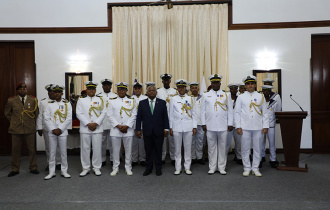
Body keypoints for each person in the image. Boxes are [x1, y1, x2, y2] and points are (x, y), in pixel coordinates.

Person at [235, 75, 269, 177]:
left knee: (257, 148)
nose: (250, 85)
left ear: (255, 85)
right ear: (245, 85)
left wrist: (265, 126)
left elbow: (265, 113)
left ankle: (255, 168)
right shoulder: (240, 97)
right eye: (248, 84)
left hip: (258, 126)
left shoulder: (260, 96)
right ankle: (246, 168)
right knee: (245, 148)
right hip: (245, 126)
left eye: (252, 84)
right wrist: (238, 126)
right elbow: (237, 113)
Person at [4, 83, 39, 177]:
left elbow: (36, 113)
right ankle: (15, 169)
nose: (22, 91)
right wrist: (14, 121)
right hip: (16, 129)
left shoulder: (33, 99)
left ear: (26, 90)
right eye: (20, 89)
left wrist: (32, 123)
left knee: (31, 149)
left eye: (24, 89)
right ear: (17, 91)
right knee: (15, 150)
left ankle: (33, 167)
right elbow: (7, 113)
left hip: (29, 128)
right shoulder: (11, 100)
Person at [201, 74, 233, 175]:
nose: (216, 84)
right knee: (211, 147)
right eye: (214, 83)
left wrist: (230, 123)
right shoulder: (205, 95)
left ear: (220, 83)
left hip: (223, 125)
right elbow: (202, 111)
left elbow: (230, 111)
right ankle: (212, 167)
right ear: (211, 83)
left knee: (223, 147)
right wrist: (203, 123)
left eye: (217, 82)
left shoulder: (226, 94)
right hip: (210, 125)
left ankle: (221, 167)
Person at [136, 85, 169, 176]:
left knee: (158, 150)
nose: (151, 92)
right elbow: (139, 118)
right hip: (147, 131)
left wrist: (166, 129)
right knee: (148, 150)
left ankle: (158, 168)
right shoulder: (142, 103)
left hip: (159, 131)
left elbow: (165, 117)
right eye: (149, 91)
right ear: (146, 92)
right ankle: (148, 168)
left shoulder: (162, 103)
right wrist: (138, 129)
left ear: (156, 92)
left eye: (153, 90)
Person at [76, 81, 106, 177]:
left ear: (95, 90)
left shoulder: (101, 100)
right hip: (85, 128)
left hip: (97, 128)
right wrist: (88, 123)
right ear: (87, 90)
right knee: (85, 149)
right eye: (89, 89)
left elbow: (103, 112)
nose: (91, 90)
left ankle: (96, 167)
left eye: (93, 89)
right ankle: (85, 168)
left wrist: (96, 123)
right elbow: (78, 113)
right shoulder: (81, 100)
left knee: (97, 149)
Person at [108, 82, 137, 176]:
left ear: (126, 91)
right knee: (116, 150)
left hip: (128, 129)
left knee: (129, 150)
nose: (121, 91)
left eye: (123, 89)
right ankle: (115, 168)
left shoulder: (132, 100)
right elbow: (110, 115)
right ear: (117, 91)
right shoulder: (112, 101)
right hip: (116, 129)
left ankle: (128, 167)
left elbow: (134, 115)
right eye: (119, 89)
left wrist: (127, 126)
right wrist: (118, 126)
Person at [43, 85, 72, 180]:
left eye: (59, 92)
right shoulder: (49, 104)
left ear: (62, 93)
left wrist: (60, 129)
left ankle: (64, 171)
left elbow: (68, 118)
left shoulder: (67, 104)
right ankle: (52, 172)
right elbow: (46, 118)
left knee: (63, 152)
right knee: (52, 152)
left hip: (62, 132)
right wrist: (53, 129)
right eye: (55, 92)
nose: (57, 94)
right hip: (52, 132)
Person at [169, 79, 197, 175]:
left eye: (183, 87)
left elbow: (194, 114)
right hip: (176, 126)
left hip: (188, 126)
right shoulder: (173, 99)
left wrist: (194, 127)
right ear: (177, 88)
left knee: (188, 148)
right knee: (177, 148)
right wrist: (171, 127)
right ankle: (178, 167)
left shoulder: (191, 99)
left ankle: (187, 167)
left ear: (185, 88)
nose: (181, 89)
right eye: (179, 87)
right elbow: (171, 115)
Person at [36, 84, 61, 171]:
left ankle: (58, 163)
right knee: (48, 147)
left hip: (58, 128)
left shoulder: (61, 101)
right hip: (47, 128)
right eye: (50, 92)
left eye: (53, 92)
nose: (52, 93)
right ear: (48, 93)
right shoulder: (43, 102)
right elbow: (40, 116)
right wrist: (39, 127)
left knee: (58, 146)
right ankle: (50, 163)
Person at [156, 73, 177, 165]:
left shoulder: (174, 91)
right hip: (161, 119)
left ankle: (173, 157)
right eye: (164, 80)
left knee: (172, 140)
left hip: (173, 118)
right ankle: (162, 157)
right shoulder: (158, 91)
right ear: (162, 81)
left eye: (167, 80)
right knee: (162, 140)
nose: (166, 81)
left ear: (170, 81)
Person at [261, 78, 282, 163]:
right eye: (265, 85)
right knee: (261, 142)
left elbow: (278, 110)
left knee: (272, 143)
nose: (267, 90)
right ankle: (261, 157)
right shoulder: (259, 98)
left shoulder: (275, 98)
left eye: (269, 85)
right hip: (261, 125)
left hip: (271, 124)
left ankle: (273, 159)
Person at [97, 79, 117, 167]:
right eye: (105, 85)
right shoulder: (98, 96)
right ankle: (102, 159)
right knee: (102, 142)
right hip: (102, 122)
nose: (106, 87)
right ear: (102, 86)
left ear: (111, 86)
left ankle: (113, 159)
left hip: (113, 122)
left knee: (113, 142)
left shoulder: (115, 96)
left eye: (108, 85)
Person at [131, 82, 148, 167]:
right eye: (135, 89)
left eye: (139, 88)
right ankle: (134, 159)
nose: (137, 90)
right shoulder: (130, 99)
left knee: (142, 142)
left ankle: (142, 158)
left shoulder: (146, 98)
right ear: (133, 90)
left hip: (143, 123)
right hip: (133, 123)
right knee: (134, 142)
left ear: (141, 89)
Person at [226, 83, 242, 165]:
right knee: (226, 143)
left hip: (237, 124)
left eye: (235, 89)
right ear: (230, 90)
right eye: (232, 89)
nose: (233, 90)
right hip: (228, 125)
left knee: (239, 143)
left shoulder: (239, 99)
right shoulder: (225, 99)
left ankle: (239, 157)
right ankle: (224, 159)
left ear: (237, 90)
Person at [189, 82, 205, 165]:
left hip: (200, 123)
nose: (194, 89)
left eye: (196, 88)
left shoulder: (202, 98)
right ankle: (192, 157)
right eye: (193, 88)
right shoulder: (188, 98)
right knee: (191, 141)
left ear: (198, 89)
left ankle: (199, 157)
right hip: (190, 124)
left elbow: (204, 111)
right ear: (190, 89)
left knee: (200, 141)